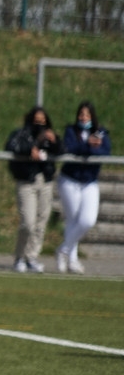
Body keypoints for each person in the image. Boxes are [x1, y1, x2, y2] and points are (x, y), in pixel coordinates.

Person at [56, 101, 111, 274]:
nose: (84, 118)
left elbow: (104, 151)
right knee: (73, 219)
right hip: (70, 179)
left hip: (89, 182)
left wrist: (92, 147)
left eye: (87, 115)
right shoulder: (71, 131)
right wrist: (89, 146)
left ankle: (63, 249)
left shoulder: (100, 132)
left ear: (92, 117)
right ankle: (72, 260)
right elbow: (70, 148)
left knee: (87, 220)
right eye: (81, 114)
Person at [5, 106, 61, 273]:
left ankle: (32, 257)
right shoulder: (21, 134)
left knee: (41, 221)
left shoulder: (49, 136)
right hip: (27, 181)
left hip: (46, 181)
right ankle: (20, 257)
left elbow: (62, 150)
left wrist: (54, 142)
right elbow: (11, 146)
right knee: (28, 223)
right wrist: (30, 149)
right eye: (36, 121)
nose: (39, 124)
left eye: (43, 121)